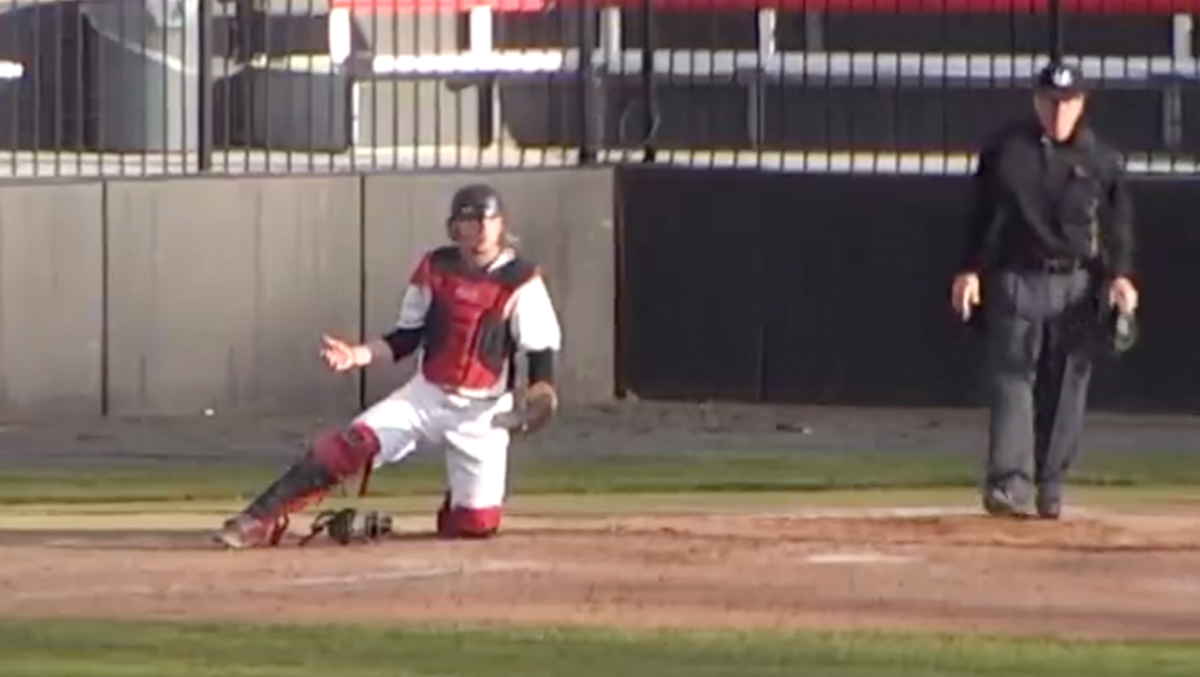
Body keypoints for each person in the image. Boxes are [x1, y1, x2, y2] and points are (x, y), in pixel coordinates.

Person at [213, 184, 564, 548]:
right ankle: (259, 518)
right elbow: (406, 337)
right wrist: (357, 355)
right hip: (426, 395)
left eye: (487, 220)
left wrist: (542, 390)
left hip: (483, 410)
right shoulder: (436, 267)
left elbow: (540, 347)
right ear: (453, 228)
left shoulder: (521, 279)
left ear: (501, 225)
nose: (479, 230)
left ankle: (461, 504)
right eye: (469, 221)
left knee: (475, 525)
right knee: (350, 444)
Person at [950, 61, 1139, 520]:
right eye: (1050, 102)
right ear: (1036, 101)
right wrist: (970, 270)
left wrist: (1121, 275)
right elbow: (981, 215)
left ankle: (1050, 484)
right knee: (1013, 381)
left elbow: (1118, 224)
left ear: (1081, 103)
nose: (1058, 111)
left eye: (1067, 102)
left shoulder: (1101, 158)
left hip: (1075, 282)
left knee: (1066, 386)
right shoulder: (1006, 151)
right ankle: (1010, 482)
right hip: (1017, 277)